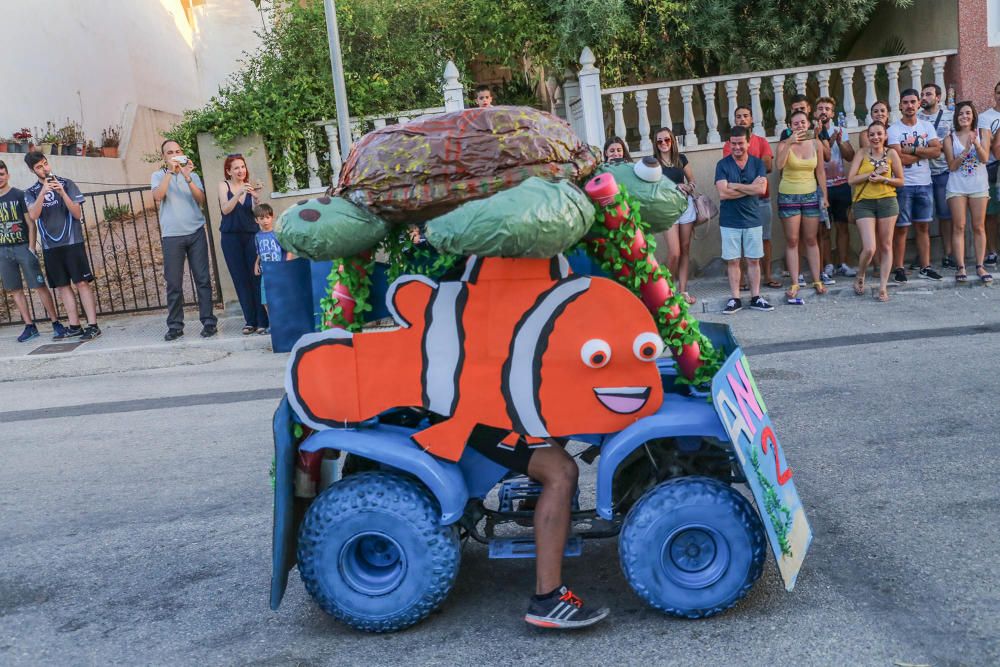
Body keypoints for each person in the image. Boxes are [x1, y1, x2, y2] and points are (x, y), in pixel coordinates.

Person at [24, 151, 101, 341]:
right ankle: (74, 326)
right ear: (33, 171)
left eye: (45, 164)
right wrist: (44, 192)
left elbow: (77, 213)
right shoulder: (31, 192)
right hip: (51, 247)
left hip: (72, 242)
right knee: (62, 286)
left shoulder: (67, 183)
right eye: (39, 167)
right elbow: (33, 216)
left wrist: (62, 192)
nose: (44, 169)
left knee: (81, 283)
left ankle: (93, 325)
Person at [152, 140, 218, 341]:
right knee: (173, 283)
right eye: (170, 152)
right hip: (172, 236)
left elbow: (201, 199)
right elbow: (158, 196)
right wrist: (171, 173)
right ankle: (175, 326)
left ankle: (208, 322)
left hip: (196, 232)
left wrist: (188, 177)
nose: (174, 154)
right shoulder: (158, 176)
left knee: (203, 279)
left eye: (177, 151)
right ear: (164, 156)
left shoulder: (193, 175)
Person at [0, 160, 65, 341]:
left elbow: (31, 223)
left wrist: (31, 247)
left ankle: (55, 323)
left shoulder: (19, 195)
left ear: (8, 175)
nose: (0, 178)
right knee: (15, 290)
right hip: (3, 251)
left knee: (39, 286)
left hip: (22, 247)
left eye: (2, 174)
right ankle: (29, 326)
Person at [714, 125, 774, 314]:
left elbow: (761, 190)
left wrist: (736, 186)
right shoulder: (722, 165)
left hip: (752, 220)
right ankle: (735, 298)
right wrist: (749, 188)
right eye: (733, 144)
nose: (737, 147)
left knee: (753, 260)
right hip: (729, 220)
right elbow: (723, 193)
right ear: (729, 144)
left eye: (741, 143)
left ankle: (756, 297)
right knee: (733, 261)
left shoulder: (757, 164)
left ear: (748, 143)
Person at [887, 89, 943, 284]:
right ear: (900, 105)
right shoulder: (893, 130)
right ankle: (899, 267)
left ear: (918, 103)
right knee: (901, 229)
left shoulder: (926, 126)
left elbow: (937, 151)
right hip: (904, 185)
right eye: (905, 102)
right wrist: (923, 152)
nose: (909, 105)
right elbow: (897, 158)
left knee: (923, 227)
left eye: (913, 102)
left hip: (925, 183)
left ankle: (925, 267)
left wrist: (912, 150)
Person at [847, 121, 904, 302]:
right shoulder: (861, 153)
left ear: (885, 135)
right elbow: (851, 179)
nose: (875, 137)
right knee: (870, 247)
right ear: (867, 137)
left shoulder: (892, 153)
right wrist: (872, 175)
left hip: (887, 201)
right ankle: (861, 274)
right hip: (864, 203)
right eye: (872, 134)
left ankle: (882, 287)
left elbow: (901, 180)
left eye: (879, 133)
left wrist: (884, 179)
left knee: (886, 245)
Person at [723, 105, 780, 289]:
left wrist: (750, 172)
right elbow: (731, 173)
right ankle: (741, 281)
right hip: (737, 203)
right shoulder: (728, 144)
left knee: (765, 238)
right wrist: (753, 181)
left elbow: (768, 166)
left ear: (752, 118)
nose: (742, 119)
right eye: (738, 116)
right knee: (738, 242)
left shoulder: (762, 141)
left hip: (761, 200)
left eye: (745, 116)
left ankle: (768, 276)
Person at [776, 110, 828, 304]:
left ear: (808, 124)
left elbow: (821, 172)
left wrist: (824, 196)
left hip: (811, 194)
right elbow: (779, 166)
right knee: (792, 240)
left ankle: (817, 279)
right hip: (788, 195)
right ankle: (795, 282)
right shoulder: (784, 144)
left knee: (811, 239)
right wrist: (789, 143)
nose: (799, 126)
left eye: (802, 122)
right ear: (790, 126)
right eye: (795, 123)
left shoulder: (816, 144)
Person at [944, 101, 993, 284]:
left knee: (979, 226)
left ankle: (980, 265)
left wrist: (976, 144)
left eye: (968, 113)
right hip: (957, 186)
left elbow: (985, 158)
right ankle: (961, 266)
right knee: (959, 226)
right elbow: (952, 166)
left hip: (979, 185)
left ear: (973, 115)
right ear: (956, 117)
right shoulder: (949, 138)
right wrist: (965, 150)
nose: (964, 116)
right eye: (961, 114)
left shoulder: (983, 132)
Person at [218, 154, 267, 335]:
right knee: (240, 279)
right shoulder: (224, 186)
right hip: (230, 238)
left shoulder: (250, 187)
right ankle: (250, 321)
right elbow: (225, 209)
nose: (241, 170)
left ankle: (262, 321)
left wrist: (255, 198)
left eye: (243, 167)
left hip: (251, 236)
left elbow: (255, 213)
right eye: (236, 168)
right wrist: (239, 192)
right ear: (229, 171)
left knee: (256, 277)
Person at [815, 96, 857, 278]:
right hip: (819, 187)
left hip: (840, 185)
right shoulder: (811, 131)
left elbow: (850, 156)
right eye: (820, 108)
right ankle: (828, 266)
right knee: (823, 229)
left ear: (832, 113)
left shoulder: (841, 130)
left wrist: (839, 141)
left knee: (842, 227)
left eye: (827, 109)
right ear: (815, 112)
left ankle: (843, 264)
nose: (823, 111)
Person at [654, 127, 697, 303]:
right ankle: (668, 290)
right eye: (660, 141)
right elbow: (652, 189)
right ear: (655, 144)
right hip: (667, 209)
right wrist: (674, 187)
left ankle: (683, 291)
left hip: (685, 206)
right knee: (674, 252)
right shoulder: (653, 163)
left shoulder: (681, 159)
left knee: (685, 249)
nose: (664, 143)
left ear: (673, 141)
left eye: (667, 140)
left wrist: (688, 186)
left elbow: (692, 181)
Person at [917, 83, 955, 269]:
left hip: (943, 172)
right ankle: (922, 256)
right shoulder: (915, 118)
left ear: (938, 97)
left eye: (929, 94)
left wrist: (934, 150)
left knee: (945, 215)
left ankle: (948, 254)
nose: (924, 97)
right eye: (922, 94)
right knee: (921, 217)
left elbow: (955, 143)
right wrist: (934, 149)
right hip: (921, 174)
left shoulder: (950, 115)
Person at [252, 203, 294, 329]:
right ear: (256, 220)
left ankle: (284, 322)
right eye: (261, 218)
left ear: (272, 217)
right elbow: (259, 252)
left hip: (279, 271)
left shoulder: (277, 234)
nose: (265, 221)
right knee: (266, 300)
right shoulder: (258, 236)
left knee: (281, 297)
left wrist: (286, 265)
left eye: (267, 217)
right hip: (266, 273)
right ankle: (273, 324)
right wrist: (256, 264)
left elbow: (289, 250)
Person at [977, 81, 1000, 268]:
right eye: (999, 92)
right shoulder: (986, 117)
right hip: (992, 170)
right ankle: (992, 252)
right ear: (994, 94)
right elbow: (992, 148)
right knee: (991, 214)